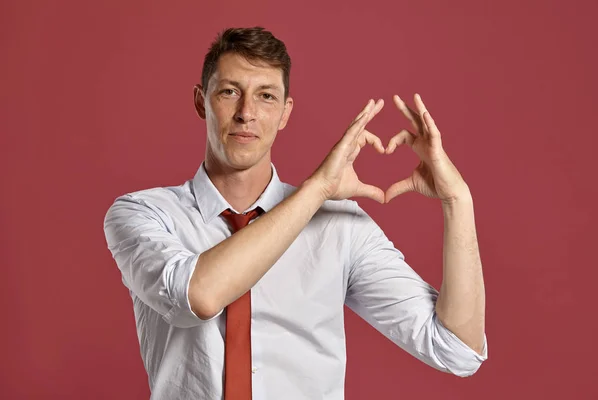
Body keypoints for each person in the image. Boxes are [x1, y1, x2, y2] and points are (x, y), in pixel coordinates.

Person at [103, 26, 487, 400]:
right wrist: (317, 188)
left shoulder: (340, 228)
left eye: (266, 96)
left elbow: (456, 349)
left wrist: (458, 202)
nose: (246, 113)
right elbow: (198, 297)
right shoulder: (143, 214)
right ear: (200, 100)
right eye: (230, 92)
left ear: (286, 113)